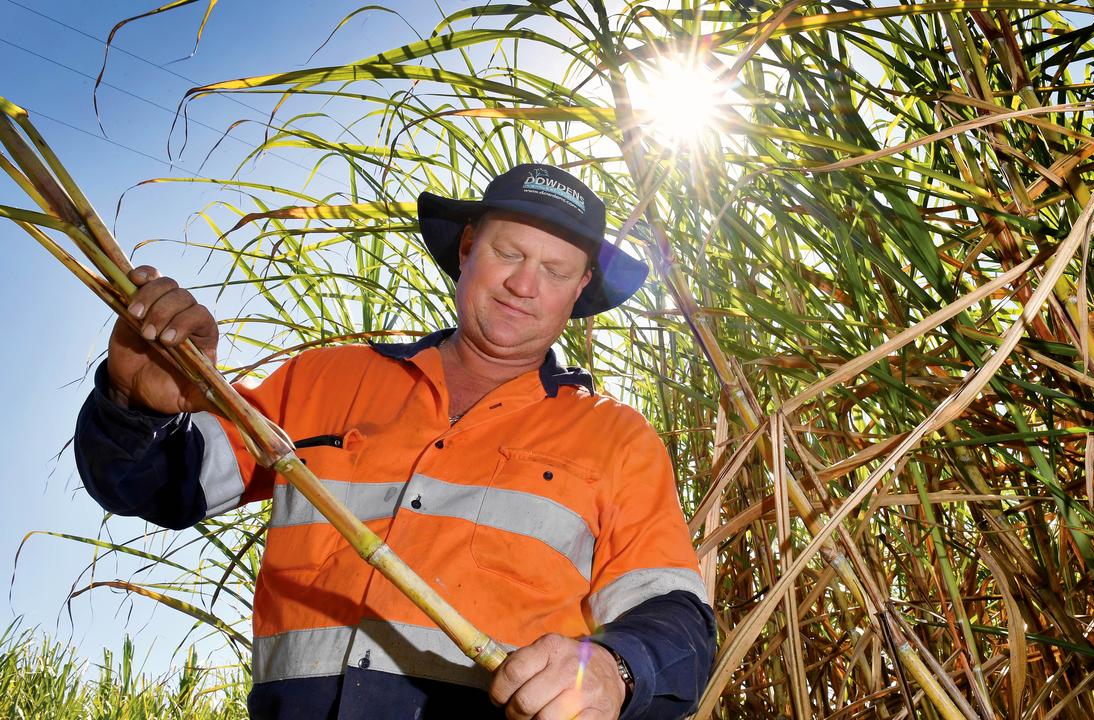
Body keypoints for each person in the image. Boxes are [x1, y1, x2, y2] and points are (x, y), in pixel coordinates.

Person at [74, 163, 718, 719]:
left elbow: (676, 622)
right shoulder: (323, 378)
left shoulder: (616, 438)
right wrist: (134, 404)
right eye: (509, 253)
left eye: (555, 270)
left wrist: (612, 670)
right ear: (467, 247)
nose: (525, 285)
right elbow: (154, 482)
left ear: (579, 290)